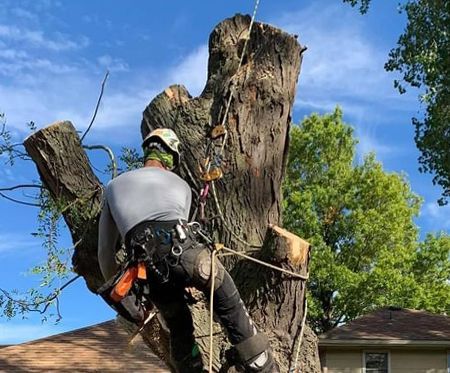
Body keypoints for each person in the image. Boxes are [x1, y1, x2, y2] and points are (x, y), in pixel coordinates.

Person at [97, 128, 279, 372]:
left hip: (150, 274)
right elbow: (181, 243)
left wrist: (127, 299)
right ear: (171, 155)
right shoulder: (181, 185)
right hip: (187, 254)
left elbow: (105, 255)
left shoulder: (112, 187)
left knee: (179, 327)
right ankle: (263, 367)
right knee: (230, 305)